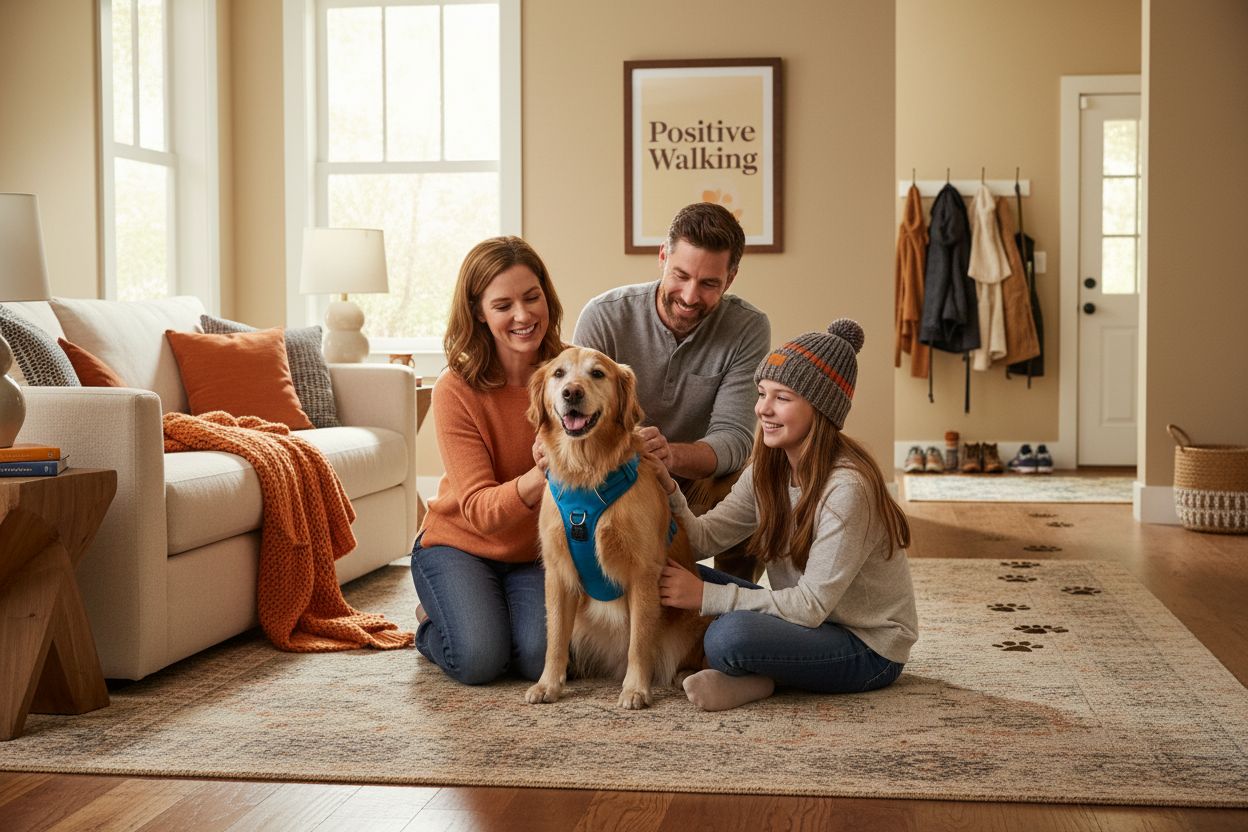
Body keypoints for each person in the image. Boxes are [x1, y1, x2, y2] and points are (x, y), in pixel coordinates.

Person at [656, 319, 918, 711]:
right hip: (802, 621)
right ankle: (758, 677)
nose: (763, 408)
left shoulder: (847, 489)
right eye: (762, 393)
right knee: (666, 573)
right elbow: (700, 540)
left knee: (728, 637)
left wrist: (706, 596)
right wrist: (668, 487)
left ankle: (757, 674)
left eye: (783, 397)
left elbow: (812, 606)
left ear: (821, 409)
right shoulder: (768, 470)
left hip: (866, 647)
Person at [573, 202, 771, 580]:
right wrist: (634, 455)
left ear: (729, 280)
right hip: (614, 476)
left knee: (754, 482)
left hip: (695, 482)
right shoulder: (604, 316)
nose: (690, 295)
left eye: (709, 283)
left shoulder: (748, 328)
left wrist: (670, 455)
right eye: (680, 275)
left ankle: (731, 606)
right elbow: (579, 422)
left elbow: (734, 439)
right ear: (663, 257)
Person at [411, 236, 565, 685]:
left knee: (540, 661)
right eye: (504, 305)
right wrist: (542, 475)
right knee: (480, 660)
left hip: (533, 553)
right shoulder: (455, 388)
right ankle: (429, 622)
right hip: (460, 545)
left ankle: (475, 613)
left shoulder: (569, 370)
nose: (523, 316)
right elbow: (478, 510)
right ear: (479, 312)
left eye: (532, 297)